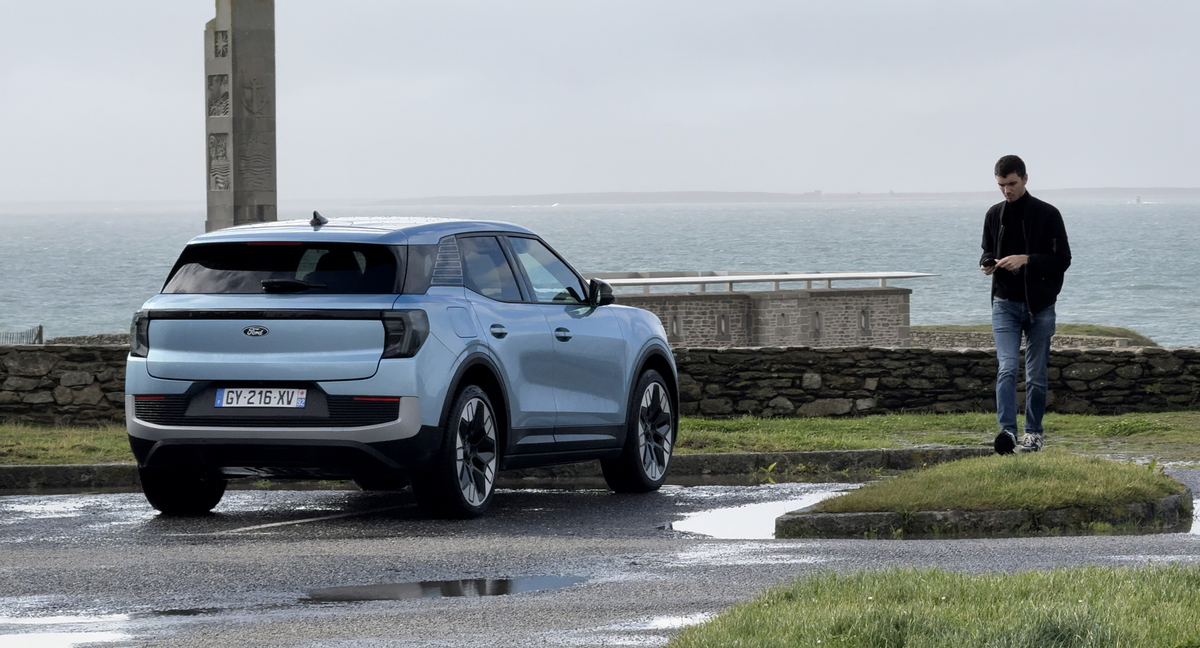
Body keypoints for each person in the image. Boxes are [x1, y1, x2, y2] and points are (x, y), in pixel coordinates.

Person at [980, 155, 1071, 454]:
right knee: (1006, 367)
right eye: (1001, 185)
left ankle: (1034, 433)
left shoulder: (1048, 214)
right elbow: (987, 250)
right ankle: (1007, 431)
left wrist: (1027, 259)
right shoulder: (994, 214)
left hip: (1040, 307)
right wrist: (987, 264)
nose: (1007, 190)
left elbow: (1062, 260)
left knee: (1036, 374)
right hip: (1004, 304)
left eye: (1012, 184)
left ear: (1025, 179)